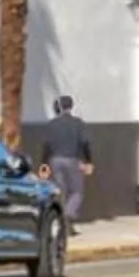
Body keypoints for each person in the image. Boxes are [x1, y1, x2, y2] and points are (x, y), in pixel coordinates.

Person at [38, 96, 92, 226]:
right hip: (73, 160)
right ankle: (68, 214)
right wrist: (88, 161)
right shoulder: (78, 124)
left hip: (54, 161)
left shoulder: (51, 125)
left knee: (60, 191)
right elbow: (85, 143)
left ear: (58, 107)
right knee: (77, 191)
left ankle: (61, 218)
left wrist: (44, 165)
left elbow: (46, 146)